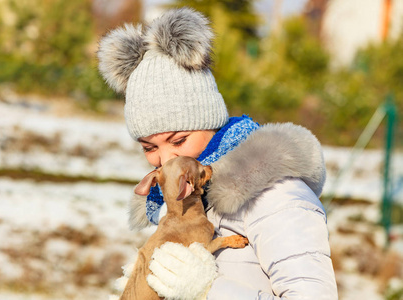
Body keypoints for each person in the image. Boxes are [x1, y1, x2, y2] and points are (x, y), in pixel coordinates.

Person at [98, 7, 338, 300]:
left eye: (179, 139)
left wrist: (208, 291)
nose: (166, 160)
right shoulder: (188, 198)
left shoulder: (277, 196)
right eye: (149, 147)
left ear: (210, 122)